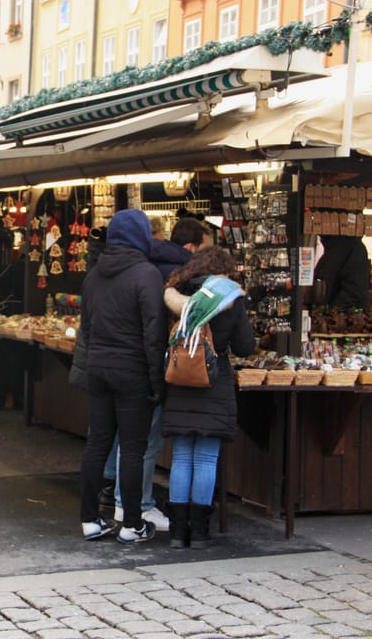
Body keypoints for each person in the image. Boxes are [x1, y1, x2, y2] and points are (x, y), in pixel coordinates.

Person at [102, 216, 207, 531]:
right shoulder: (169, 274)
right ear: (191, 248)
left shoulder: (133, 268)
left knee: (124, 438)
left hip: (115, 362)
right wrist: (154, 373)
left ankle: (123, 500)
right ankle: (137, 505)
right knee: (145, 441)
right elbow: (153, 328)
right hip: (146, 365)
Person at [79, 208, 167, 544]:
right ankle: (131, 524)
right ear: (142, 237)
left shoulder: (93, 276)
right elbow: (153, 333)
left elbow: (86, 330)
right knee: (132, 448)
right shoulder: (147, 274)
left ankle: (89, 520)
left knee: (97, 444)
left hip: (99, 369)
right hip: (133, 372)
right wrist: (157, 382)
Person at [161, 247, 255, 548]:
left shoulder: (176, 293)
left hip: (179, 378)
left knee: (182, 455)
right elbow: (244, 346)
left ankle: (177, 532)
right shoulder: (230, 297)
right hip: (214, 383)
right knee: (205, 457)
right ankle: (200, 532)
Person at [312, 235, 370, 309]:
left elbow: (354, 292)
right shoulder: (334, 250)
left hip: (344, 316)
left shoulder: (351, 249)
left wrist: (333, 313)